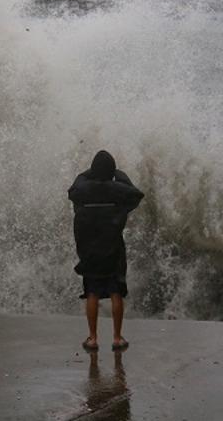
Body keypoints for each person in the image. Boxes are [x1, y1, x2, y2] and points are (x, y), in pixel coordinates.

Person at [68, 150, 144, 352]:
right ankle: (117, 338)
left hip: (90, 252)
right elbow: (135, 194)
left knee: (91, 292)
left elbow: (74, 188)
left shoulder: (82, 194)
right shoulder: (118, 193)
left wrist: (89, 173)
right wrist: (118, 174)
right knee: (115, 292)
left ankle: (92, 339)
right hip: (113, 250)